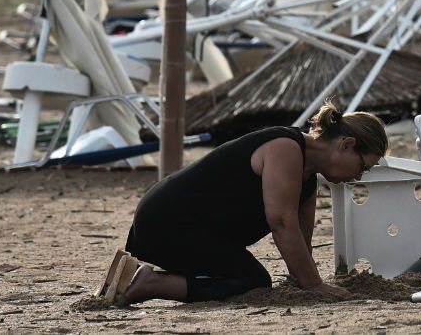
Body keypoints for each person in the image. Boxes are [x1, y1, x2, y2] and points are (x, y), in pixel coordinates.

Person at [99, 101, 389, 305]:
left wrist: (303, 280)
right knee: (251, 280)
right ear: (346, 145)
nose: (358, 176)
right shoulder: (286, 148)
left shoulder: (308, 177)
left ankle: (128, 275)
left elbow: (301, 240)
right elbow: (281, 223)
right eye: (362, 167)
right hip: (167, 222)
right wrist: (314, 285)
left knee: (247, 275)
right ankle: (153, 283)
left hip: (187, 226)